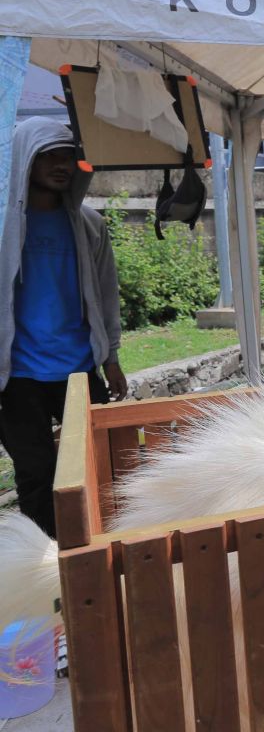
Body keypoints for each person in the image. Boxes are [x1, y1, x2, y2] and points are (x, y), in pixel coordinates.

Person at [0, 117, 127, 537]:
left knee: (97, 464)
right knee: (35, 473)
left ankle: (100, 544)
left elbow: (106, 295)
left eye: (69, 155)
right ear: (24, 160)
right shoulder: (3, 227)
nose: (61, 164)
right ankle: (46, 560)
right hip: (16, 375)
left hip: (77, 368)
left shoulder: (89, 225)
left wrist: (110, 357)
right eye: (48, 155)